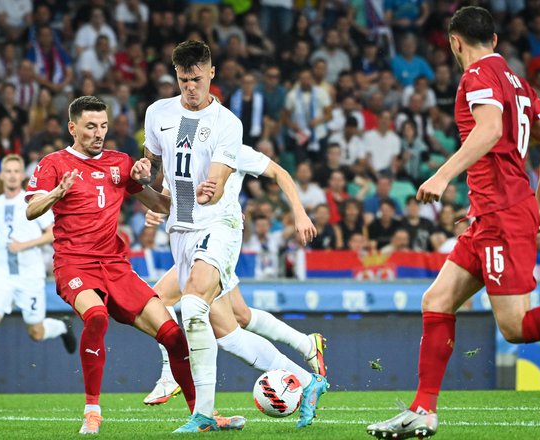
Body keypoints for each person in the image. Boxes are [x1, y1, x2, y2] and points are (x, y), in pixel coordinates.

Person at [367, 7, 540, 439]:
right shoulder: (518, 82)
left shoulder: (476, 77)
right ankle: (423, 410)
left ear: (455, 42)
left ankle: (423, 409)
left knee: (516, 328)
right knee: (436, 300)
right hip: (491, 215)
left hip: (500, 215)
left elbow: (491, 129)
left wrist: (442, 175)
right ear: (494, 39)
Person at [133, 41, 328, 432]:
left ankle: (199, 409)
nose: (191, 87)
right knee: (229, 327)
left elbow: (220, 180)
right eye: (185, 79)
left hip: (220, 227)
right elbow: (159, 181)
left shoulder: (227, 125)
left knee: (190, 306)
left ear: (211, 74)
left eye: (198, 79)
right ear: (176, 76)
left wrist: (214, 189)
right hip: (182, 233)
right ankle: (307, 380)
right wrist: (142, 187)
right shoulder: (158, 114)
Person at [24, 96, 199, 435]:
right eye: (90, 127)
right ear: (72, 128)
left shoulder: (121, 163)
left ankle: (201, 414)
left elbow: (161, 205)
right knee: (96, 317)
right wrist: (58, 192)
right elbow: (31, 210)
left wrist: (153, 183)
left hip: (115, 266)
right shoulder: (54, 164)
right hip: (74, 265)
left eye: (103, 126)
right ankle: (92, 410)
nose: (98, 133)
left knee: (175, 337)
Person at [142, 145, 326, 412]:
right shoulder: (177, 149)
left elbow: (279, 173)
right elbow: (172, 196)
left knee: (160, 299)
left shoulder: (229, 145)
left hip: (216, 241)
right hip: (189, 242)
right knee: (236, 322)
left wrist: (299, 212)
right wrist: (158, 208)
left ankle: (173, 373)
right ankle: (307, 357)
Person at [0, 155, 76, 395]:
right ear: (1, 175)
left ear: (22, 176)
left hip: (29, 277)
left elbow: (53, 234)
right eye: (7, 171)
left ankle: (61, 326)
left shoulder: (33, 202)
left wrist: (25, 245)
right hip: (1, 275)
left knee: (36, 333)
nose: (11, 175)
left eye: (15, 171)